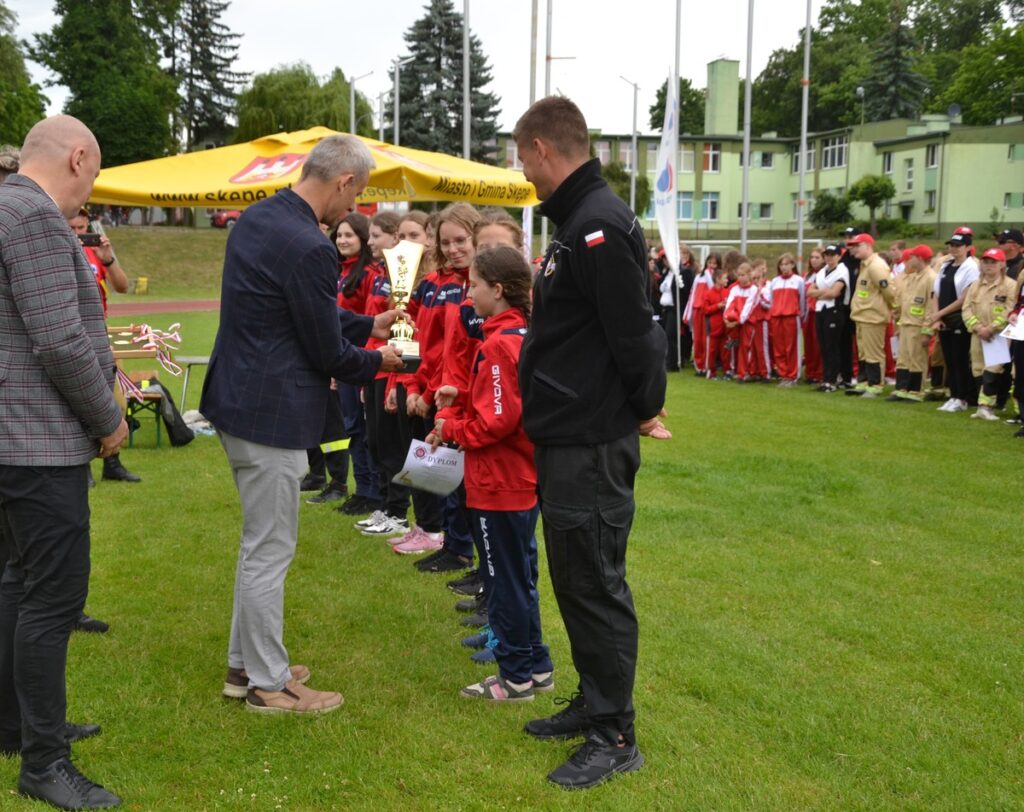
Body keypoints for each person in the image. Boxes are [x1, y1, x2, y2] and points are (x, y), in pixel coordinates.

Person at [199, 135, 405, 715]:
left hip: (237, 403)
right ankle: (269, 685)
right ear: (343, 183)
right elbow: (326, 352)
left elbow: (304, 310)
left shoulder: (259, 218)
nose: (355, 210)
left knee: (257, 545)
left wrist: (368, 323)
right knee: (269, 550)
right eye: (357, 196)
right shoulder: (310, 245)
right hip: (271, 416)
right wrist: (380, 360)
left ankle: (247, 667)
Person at [513, 96, 668, 790]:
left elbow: (635, 333)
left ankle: (616, 733)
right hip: (568, 433)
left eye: (523, 159)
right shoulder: (580, 219)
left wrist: (641, 407)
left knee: (595, 579)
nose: (524, 174)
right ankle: (593, 700)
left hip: (590, 438)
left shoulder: (598, 223)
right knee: (574, 575)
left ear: (544, 148)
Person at [0, 115, 127, 810]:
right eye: (95, 175)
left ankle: (16, 728)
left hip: (11, 439)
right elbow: (58, 341)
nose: (90, 193)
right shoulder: (36, 216)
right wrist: (107, 419)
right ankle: (44, 763)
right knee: (51, 601)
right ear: (79, 157)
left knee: (16, 584)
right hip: (37, 445)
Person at [428, 246, 554, 702]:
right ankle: (536, 666)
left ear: (497, 290)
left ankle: (515, 677)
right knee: (519, 577)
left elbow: (498, 421)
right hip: (516, 478)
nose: (468, 293)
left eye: (474, 285)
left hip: (500, 482)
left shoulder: (501, 343)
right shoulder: (520, 333)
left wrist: (450, 426)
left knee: (504, 583)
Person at [66, 208, 140, 485]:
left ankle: (113, 463)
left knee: (114, 400)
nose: (77, 234)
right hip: (74, 335)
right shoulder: (57, 249)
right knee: (78, 402)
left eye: (82, 228)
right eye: (72, 228)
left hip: (99, 335)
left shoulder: (95, 251)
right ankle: (82, 468)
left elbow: (121, 286)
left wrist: (108, 259)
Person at [962, 247, 1016, 421]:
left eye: (993, 262)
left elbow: (1010, 310)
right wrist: (978, 328)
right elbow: (966, 309)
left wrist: (991, 328)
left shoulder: (1010, 286)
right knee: (977, 369)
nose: (989, 266)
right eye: (986, 262)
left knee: (993, 369)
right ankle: (981, 405)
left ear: (1002, 264)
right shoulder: (975, 285)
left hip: (997, 336)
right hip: (977, 334)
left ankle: (987, 406)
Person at [930, 228, 980, 413]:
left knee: (959, 359)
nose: (954, 248)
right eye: (952, 245)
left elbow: (964, 299)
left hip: (959, 319)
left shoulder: (971, 267)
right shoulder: (945, 266)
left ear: (967, 247)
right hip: (943, 319)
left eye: (958, 245)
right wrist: (937, 316)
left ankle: (963, 397)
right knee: (949, 360)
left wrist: (939, 314)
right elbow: (936, 292)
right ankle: (953, 395)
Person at [845, 233, 894, 398]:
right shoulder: (865, 265)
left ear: (867, 245)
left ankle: (875, 384)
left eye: (857, 246)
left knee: (873, 352)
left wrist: (892, 308)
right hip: (862, 315)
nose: (853, 249)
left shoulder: (876, 266)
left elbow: (889, 291)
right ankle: (864, 381)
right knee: (863, 352)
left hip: (873, 316)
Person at [887, 245, 936, 402]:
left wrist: (927, 330)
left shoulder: (930, 278)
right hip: (907, 323)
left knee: (917, 359)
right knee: (904, 358)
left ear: (920, 258)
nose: (908, 260)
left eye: (912, 257)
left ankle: (916, 390)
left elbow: (930, 306)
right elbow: (906, 300)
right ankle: (902, 388)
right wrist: (899, 320)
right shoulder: (914, 276)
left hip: (918, 325)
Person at [807, 244, 850, 392]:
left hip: (834, 310)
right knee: (824, 346)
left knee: (832, 346)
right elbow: (810, 292)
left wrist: (820, 292)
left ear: (838, 256)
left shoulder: (842, 271)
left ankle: (832, 379)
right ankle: (826, 378)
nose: (829, 257)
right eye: (827, 255)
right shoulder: (821, 272)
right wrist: (824, 291)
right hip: (821, 309)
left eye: (832, 254)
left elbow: (835, 293)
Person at [767, 252, 805, 387]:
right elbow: (772, 301)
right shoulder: (775, 282)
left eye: (787, 264)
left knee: (791, 347)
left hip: (791, 317)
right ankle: (783, 374)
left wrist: (800, 316)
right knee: (779, 348)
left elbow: (802, 301)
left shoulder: (798, 280)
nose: (784, 267)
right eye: (782, 264)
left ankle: (792, 375)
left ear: (793, 265)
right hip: (777, 317)